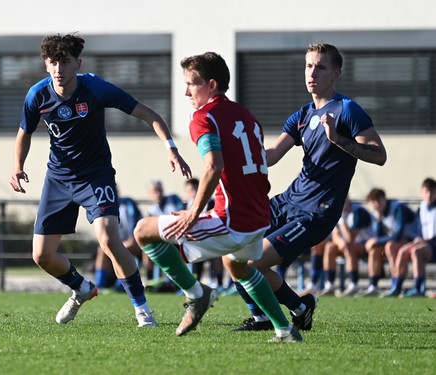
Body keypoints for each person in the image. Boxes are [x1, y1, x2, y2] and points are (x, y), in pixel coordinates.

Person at [9, 33, 191, 327]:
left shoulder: (96, 89)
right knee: (41, 255)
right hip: (58, 178)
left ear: (77, 63)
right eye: (53, 62)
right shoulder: (37, 95)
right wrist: (18, 165)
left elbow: (150, 115)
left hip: (96, 175)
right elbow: (24, 133)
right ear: (46, 65)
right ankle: (81, 288)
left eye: (65, 62)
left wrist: (171, 149)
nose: (59, 69)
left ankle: (142, 309)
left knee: (109, 239)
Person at [134, 51, 303, 342]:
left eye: (192, 84)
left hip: (233, 219)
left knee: (143, 231)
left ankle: (196, 294)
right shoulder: (246, 116)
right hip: (259, 217)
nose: (187, 91)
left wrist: (194, 212)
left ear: (212, 85)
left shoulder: (203, 117)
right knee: (237, 266)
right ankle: (285, 330)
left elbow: (214, 165)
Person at [231, 43, 387, 332]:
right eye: (308, 66)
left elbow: (380, 155)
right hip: (287, 201)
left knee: (253, 262)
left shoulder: (347, 110)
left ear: (336, 74)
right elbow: (272, 156)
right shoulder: (301, 115)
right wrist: (238, 154)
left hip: (316, 212)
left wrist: (339, 139)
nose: (312, 73)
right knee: (233, 250)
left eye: (320, 67)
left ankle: (293, 309)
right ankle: (278, 313)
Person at [383, 178, 436, 297]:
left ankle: (418, 288)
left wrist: (422, 241)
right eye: (426, 192)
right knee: (402, 251)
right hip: (424, 243)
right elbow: (420, 232)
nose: (429, 195)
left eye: (432, 192)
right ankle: (396, 286)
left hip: (432, 245)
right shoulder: (421, 208)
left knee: (416, 251)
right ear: (422, 192)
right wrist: (419, 240)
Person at [362, 188, 418, 297]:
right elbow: (378, 235)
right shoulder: (378, 213)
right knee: (375, 250)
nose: (376, 204)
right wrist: (378, 221)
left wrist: (376, 240)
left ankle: (395, 284)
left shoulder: (398, 208)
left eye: (378, 200)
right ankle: (373, 286)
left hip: (412, 240)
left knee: (390, 246)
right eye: (373, 202)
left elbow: (398, 235)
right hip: (396, 242)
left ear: (384, 199)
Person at [320, 197, 372, 297]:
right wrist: (341, 243)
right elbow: (336, 235)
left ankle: (353, 284)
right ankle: (329, 284)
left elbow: (350, 238)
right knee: (330, 247)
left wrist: (341, 220)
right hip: (347, 245)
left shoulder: (359, 212)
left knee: (350, 247)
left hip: (365, 243)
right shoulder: (337, 211)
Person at [94, 190, 143, 290]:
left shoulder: (127, 203)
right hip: (118, 243)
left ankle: (122, 284)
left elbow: (133, 229)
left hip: (134, 242)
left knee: (122, 247)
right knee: (101, 249)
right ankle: (100, 285)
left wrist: (127, 241)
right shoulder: (104, 208)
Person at [184, 178, 223, 290]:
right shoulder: (186, 205)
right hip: (195, 240)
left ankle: (219, 283)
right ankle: (195, 283)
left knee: (216, 254)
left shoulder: (211, 202)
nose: (192, 193)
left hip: (210, 237)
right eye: (189, 190)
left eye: (194, 190)